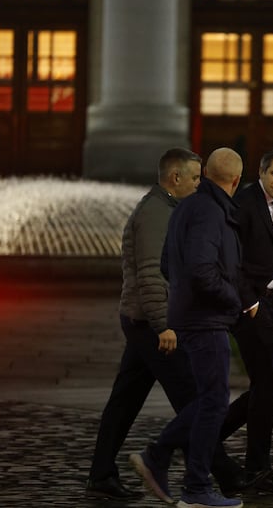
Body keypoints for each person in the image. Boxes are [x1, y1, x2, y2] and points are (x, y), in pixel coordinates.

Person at [130, 147, 245, 508]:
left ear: (206, 173)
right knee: (213, 402)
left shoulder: (186, 208)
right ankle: (191, 485)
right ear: (237, 181)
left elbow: (167, 265)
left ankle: (162, 457)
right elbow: (201, 270)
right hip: (205, 319)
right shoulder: (211, 211)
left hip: (192, 317)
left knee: (209, 399)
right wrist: (234, 298)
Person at [85, 148, 202, 500]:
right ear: (175, 178)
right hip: (152, 325)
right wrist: (164, 325)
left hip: (143, 321)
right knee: (197, 398)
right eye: (195, 178)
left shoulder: (167, 209)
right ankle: (204, 470)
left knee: (125, 401)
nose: (199, 185)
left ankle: (101, 475)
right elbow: (152, 275)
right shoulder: (156, 214)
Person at [221, 149, 273, 496]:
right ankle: (256, 468)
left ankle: (205, 439)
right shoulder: (246, 202)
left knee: (267, 387)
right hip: (253, 308)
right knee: (268, 387)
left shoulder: (270, 204)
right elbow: (231, 258)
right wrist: (250, 303)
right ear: (262, 172)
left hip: (269, 306)